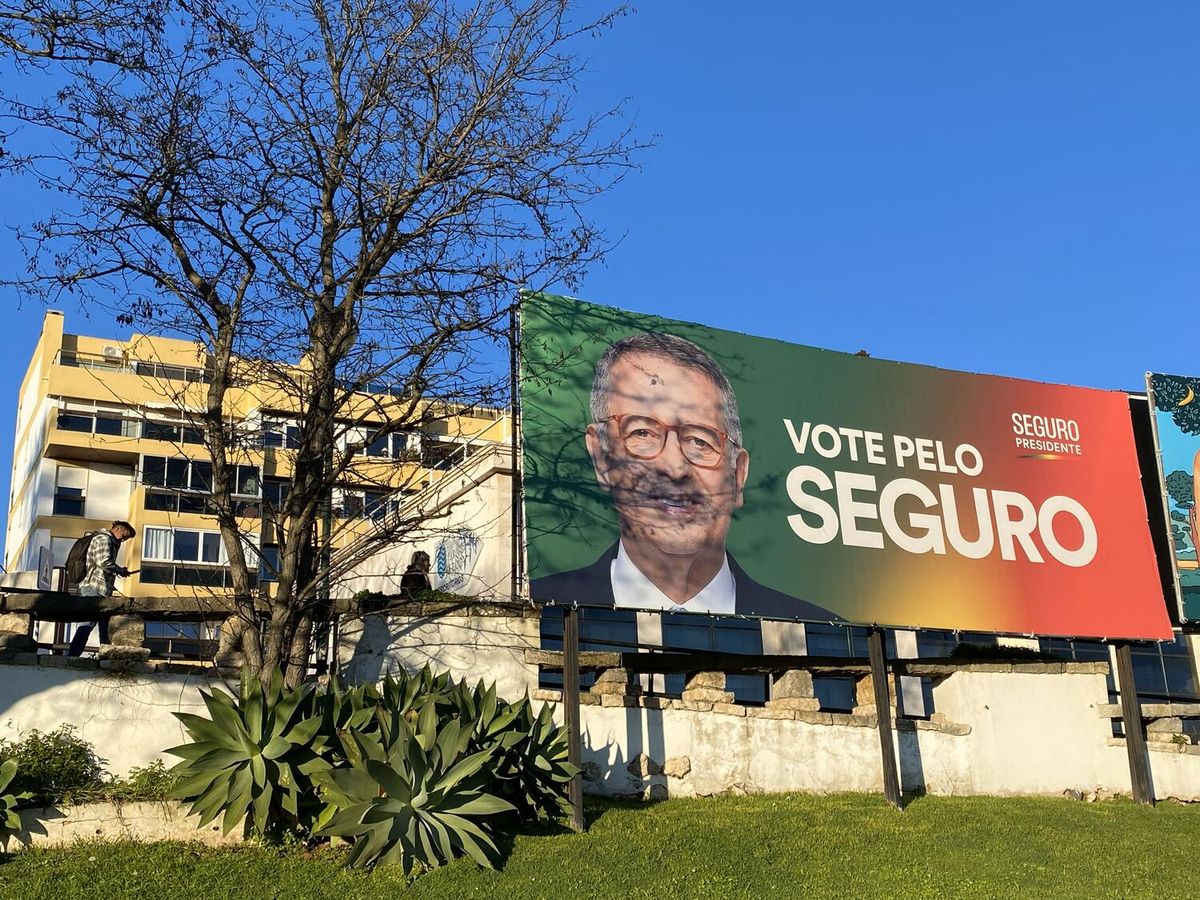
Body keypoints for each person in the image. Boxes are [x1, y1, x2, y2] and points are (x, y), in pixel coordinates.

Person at [531, 332, 839, 621]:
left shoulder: (825, 631)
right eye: (642, 432)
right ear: (601, 455)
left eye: (700, 440)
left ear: (738, 475)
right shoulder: (536, 613)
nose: (675, 468)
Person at [67, 520, 136, 656]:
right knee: (88, 623)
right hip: (94, 588)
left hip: (100, 589)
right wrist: (119, 570)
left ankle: (105, 655)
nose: (123, 540)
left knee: (104, 625)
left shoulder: (106, 540)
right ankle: (73, 655)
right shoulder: (104, 539)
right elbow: (103, 562)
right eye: (124, 536)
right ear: (117, 529)